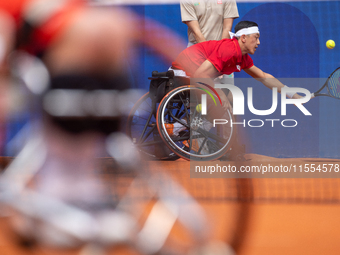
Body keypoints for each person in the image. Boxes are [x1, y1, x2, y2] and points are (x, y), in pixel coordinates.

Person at [171, 20, 303, 112]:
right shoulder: (229, 50)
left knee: (227, 100)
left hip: (194, 75)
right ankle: (180, 130)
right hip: (181, 73)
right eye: (256, 37)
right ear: (243, 38)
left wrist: (292, 95)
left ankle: (179, 129)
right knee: (223, 100)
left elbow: (263, 77)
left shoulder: (241, 57)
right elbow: (200, 75)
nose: (259, 42)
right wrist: (220, 94)